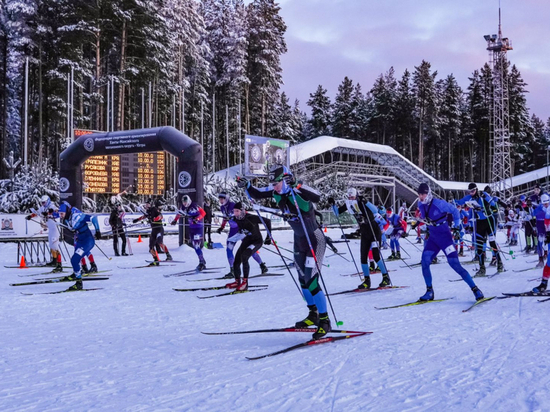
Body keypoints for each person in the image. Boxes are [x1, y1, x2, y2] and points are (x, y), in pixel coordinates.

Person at [237, 165, 330, 340]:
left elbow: (317, 196)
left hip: (314, 239)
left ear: (284, 179)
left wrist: (296, 184)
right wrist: (247, 186)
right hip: (299, 240)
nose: (274, 186)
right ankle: (313, 315)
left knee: (311, 280)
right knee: (302, 279)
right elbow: (257, 193)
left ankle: (325, 321)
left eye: (277, 183)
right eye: (272, 183)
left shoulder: (298, 189)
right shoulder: (275, 192)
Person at [416, 183, 484, 301]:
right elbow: (426, 218)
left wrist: (457, 227)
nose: (421, 197)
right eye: (419, 194)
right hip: (433, 238)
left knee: (455, 265)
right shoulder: (420, 204)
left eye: (423, 194)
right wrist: (420, 224)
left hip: (445, 238)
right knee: (425, 262)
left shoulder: (439, 204)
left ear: (428, 193)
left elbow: (455, 211)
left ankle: (475, 289)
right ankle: (429, 291)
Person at [329, 187, 392, 290]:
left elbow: (375, 210)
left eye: (352, 196)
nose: (351, 198)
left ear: (356, 195)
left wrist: (366, 202)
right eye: (349, 197)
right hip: (365, 232)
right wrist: (333, 205)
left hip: (374, 231)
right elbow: (337, 212)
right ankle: (367, 281)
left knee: (376, 255)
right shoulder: (349, 204)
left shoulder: (362, 202)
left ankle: (386, 277)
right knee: (363, 257)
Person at [217, 191, 268, 278]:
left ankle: (262, 265)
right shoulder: (222, 208)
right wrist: (222, 227)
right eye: (220, 198)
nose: (221, 200)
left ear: (227, 198)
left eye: (223, 198)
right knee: (229, 250)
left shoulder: (233, 205)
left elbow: (244, 214)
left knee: (248, 250)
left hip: (241, 229)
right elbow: (225, 219)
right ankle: (232, 270)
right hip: (233, 231)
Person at [456, 183, 503, 275]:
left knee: (492, 243)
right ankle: (482, 268)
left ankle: (499, 263)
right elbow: (460, 202)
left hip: (489, 220)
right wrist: (452, 201)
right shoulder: (470, 198)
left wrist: (485, 208)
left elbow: (495, 207)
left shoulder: (484, 195)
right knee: (479, 245)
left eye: (473, 191)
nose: (471, 193)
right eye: (470, 191)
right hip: (480, 222)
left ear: (476, 190)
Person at [224, 202, 272, 291]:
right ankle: (237, 281)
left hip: (256, 241)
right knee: (237, 260)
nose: (235, 213)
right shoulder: (236, 218)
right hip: (247, 240)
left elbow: (268, 221)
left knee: (245, 257)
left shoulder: (251, 218)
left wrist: (269, 237)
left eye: (237, 211)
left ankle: (245, 283)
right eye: (234, 211)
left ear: (242, 211)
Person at [58, 204, 102, 290]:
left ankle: (79, 283)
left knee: (74, 260)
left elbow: (93, 218)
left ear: (66, 212)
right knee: (75, 260)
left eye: (62, 213)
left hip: (87, 241)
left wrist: (97, 231)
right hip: (80, 240)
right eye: (60, 214)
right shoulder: (67, 219)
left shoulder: (77, 216)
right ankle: (76, 274)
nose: (60, 216)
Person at [26, 195, 62, 272]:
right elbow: (37, 213)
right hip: (50, 229)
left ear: (48, 201)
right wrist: (30, 216)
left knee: (55, 246)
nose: (43, 204)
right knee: (51, 245)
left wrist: (49, 213)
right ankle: (54, 260)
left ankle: (59, 263)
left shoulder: (52, 206)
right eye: (42, 202)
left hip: (55, 229)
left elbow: (56, 212)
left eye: (44, 202)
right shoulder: (42, 208)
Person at [133, 198, 173, 266]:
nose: (146, 205)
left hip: (159, 229)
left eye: (147, 204)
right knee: (151, 247)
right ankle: (156, 259)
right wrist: (137, 220)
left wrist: (155, 219)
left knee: (160, 242)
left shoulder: (154, 209)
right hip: (154, 230)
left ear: (150, 204)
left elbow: (161, 216)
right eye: (146, 204)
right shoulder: (148, 211)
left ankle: (168, 255)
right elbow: (144, 216)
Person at [171, 195, 206, 271]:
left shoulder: (195, 206)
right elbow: (179, 214)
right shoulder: (182, 207)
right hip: (192, 228)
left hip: (198, 228)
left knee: (196, 245)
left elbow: (203, 213)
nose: (185, 204)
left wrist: (197, 218)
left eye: (186, 202)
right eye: (183, 202)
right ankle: (202, 260)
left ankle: (202, 262)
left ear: (189, 201)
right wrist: (175, 220)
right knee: (194, 245)